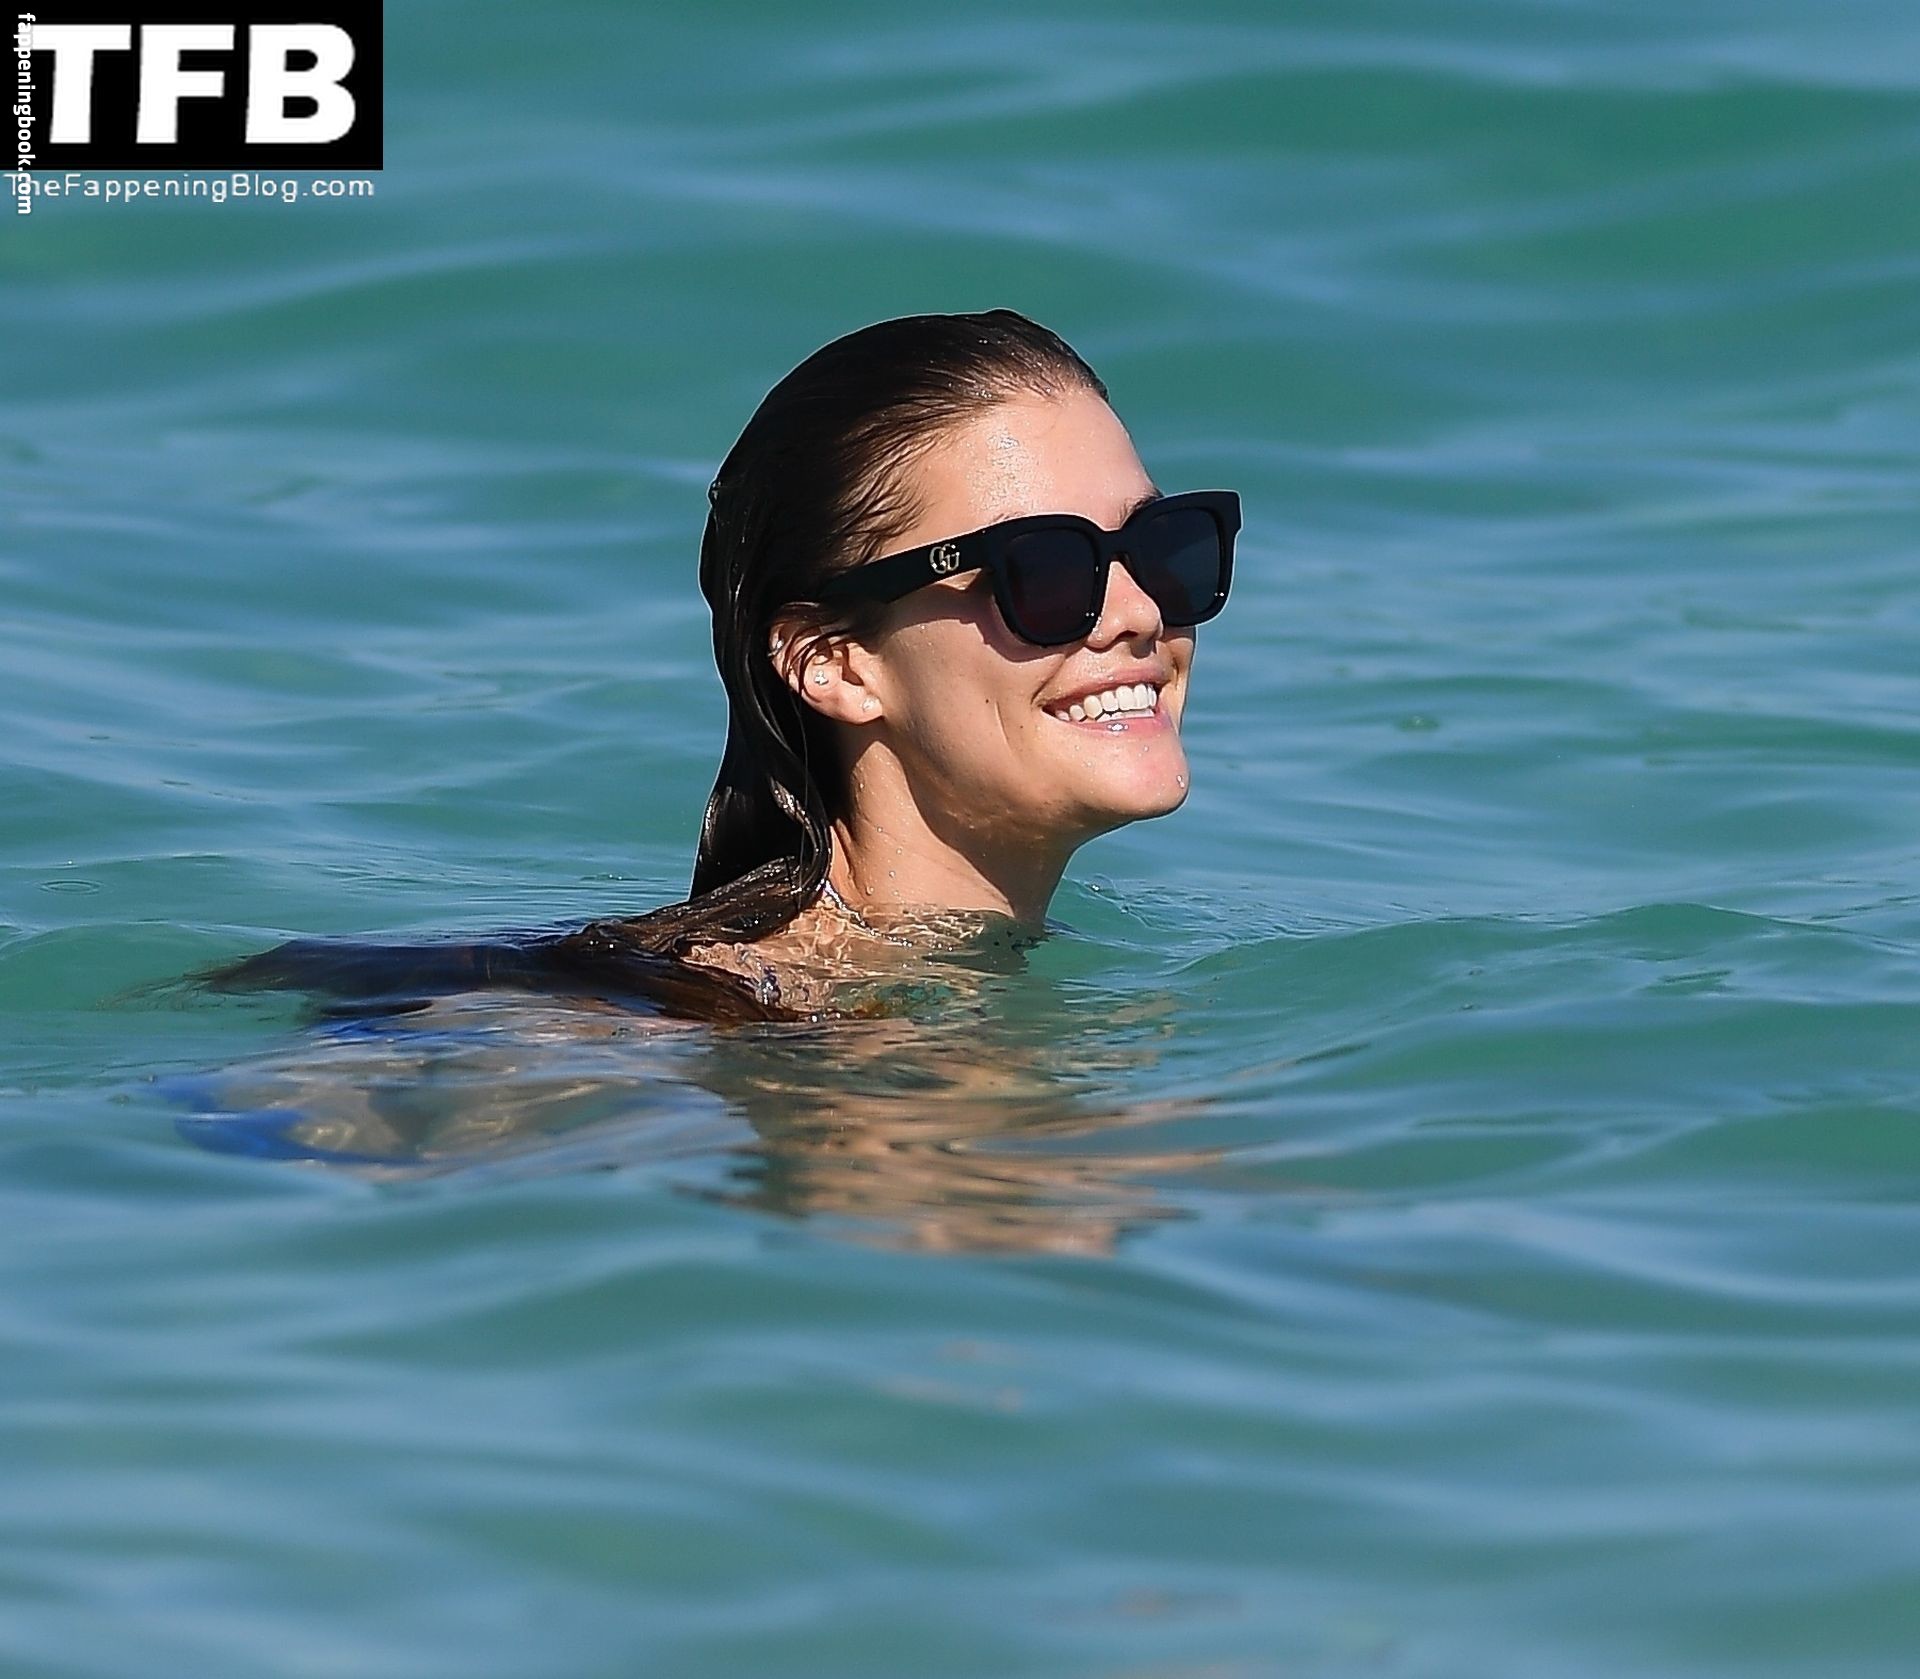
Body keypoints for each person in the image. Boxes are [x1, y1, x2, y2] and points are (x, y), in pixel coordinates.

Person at [212, 309, 1239, 1022]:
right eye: (1043, 570)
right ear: (834, 661)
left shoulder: (918, 995)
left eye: (1164, 547)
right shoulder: (672, 1020)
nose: (1140, 612)